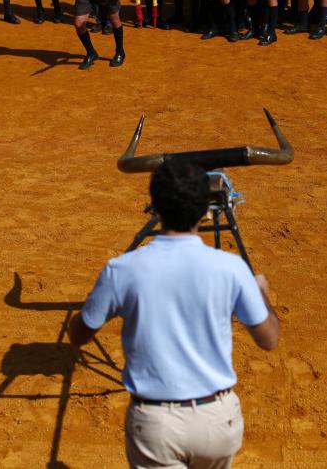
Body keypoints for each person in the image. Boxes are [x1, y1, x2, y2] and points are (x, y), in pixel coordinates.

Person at [68, 159, 280, 469]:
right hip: (217, 421)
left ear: (154, 207)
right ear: (206, 211)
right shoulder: (231, 268)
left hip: (157, 424)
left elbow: (78, 335)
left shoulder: (122, 270)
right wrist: (259, 291)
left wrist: (99, 300)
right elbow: (269, 338)